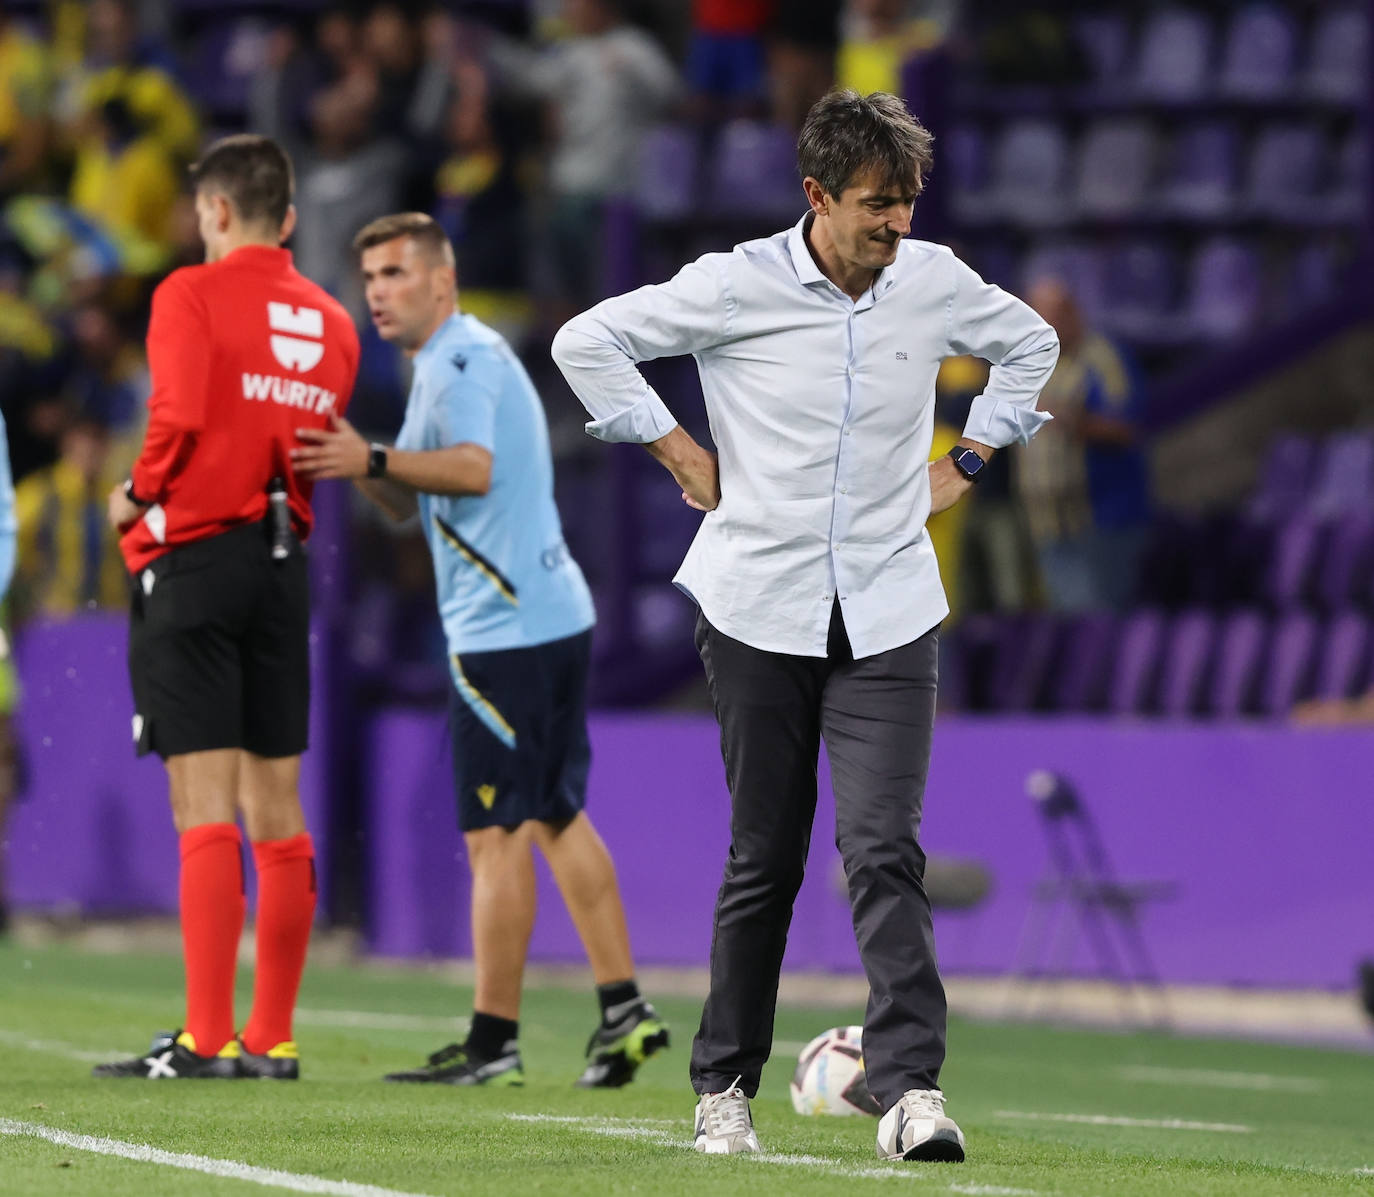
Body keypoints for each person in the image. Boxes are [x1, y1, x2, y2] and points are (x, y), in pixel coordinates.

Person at [552, 89, 1058, 1161]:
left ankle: (912, 1089)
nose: (897, 226)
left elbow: (1032, 344)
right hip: (757, 607)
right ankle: (723, 1087)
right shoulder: (733, 285)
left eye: (909, 204)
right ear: (817, 196)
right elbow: (585, 340)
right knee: (765, 859)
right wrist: (676, 447)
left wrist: (970, 456)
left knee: (885, 850)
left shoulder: (930, 281)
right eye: (878, 205)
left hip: (889, 608)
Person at [291, 211, 669, 1089]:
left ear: (441, 277)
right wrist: (365, 467)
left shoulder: (457, 362)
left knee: (494, 834)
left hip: (507, 631)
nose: (377, 292)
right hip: (536, 618)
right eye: (370, 277)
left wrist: (373, 456)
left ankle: (493, 1040)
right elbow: (425, 500)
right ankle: (624, 1012)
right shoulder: (452, 362)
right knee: (551, 813)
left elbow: (469, 470)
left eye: (393, 273)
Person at [95, 134, 360, 1080]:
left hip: (199, 557)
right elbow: (316, 439)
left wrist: (136, 490)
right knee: (277, 807)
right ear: (286, 218)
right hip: (284, 565)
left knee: (200, 804)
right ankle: (272, 1036)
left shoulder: (189, 295)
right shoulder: (333, 319)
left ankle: (206, 1038)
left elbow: (179, 415)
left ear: (213, 211)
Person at [1016, 277, 1150, 612]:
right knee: (1070, 629)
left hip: (1100, 521)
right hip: (1047, 522)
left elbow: (1127, 427)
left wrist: (1068, 421)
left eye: (1047, 317)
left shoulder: (1103, 360)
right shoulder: (1034, 362)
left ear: (1072, 314)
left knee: (1098, 625)